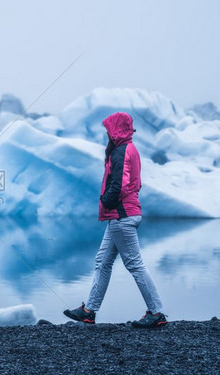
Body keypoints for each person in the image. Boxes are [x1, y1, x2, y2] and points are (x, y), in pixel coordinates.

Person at [63, 112, 168, 328]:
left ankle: (156, 312)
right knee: (102, 261)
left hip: (122, 215)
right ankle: (89, 311)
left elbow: (120, 184)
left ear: (116, 130)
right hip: (121, 215)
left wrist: (106, 201)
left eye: (109, 130)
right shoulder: (130, 149)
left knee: (135, 265)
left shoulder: (121, 151)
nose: (107, 134)